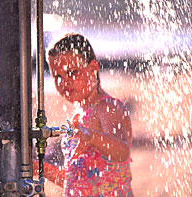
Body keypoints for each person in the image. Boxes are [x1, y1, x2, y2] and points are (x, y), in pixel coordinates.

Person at [33, 33, 133, 196]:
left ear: (93, 68)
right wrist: (40, 169)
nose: (64, 82)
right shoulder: (79, 114)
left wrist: (92, 137)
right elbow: (74, 180)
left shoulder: (107, 107)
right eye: (57, 76)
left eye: (72, 73)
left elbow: (122, 151)